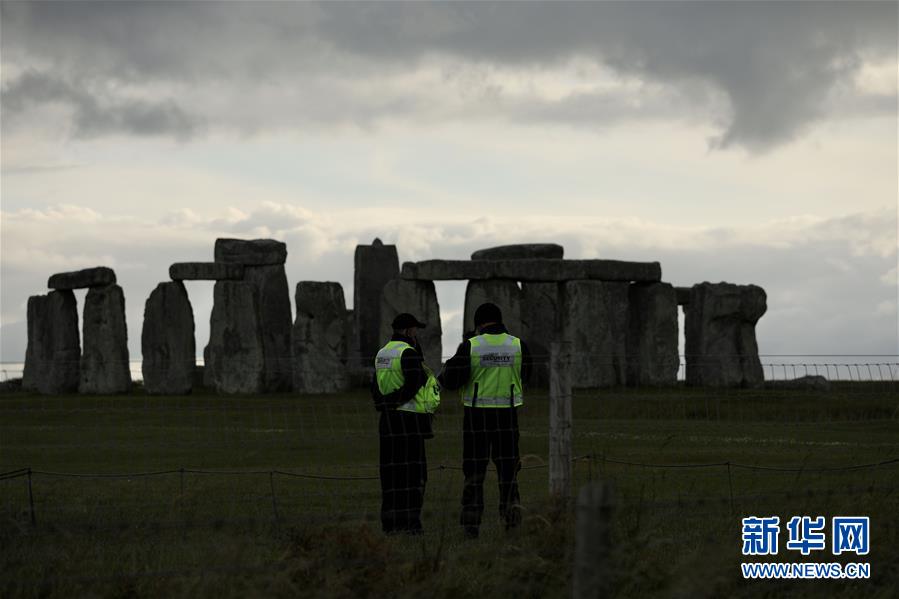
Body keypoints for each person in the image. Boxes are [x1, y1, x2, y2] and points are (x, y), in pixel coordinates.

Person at [438, 302, 531, 539]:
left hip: (476, 416)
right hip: (508, 416)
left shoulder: (472, 346)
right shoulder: (518, 345)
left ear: (478, 323)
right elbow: (528, 374)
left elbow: (450, 380)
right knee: (509, 472)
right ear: (500, 320)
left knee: (474, 472)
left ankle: (471, 524)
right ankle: (512, 520)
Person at [371, 312, 441, 535]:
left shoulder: (382, 353)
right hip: (409, 421)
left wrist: (383, 403)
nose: (417, 333)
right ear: (409, 331)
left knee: (390, 474)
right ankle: (411, 524)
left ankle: (390, 524)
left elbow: (375, 385)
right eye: (415, 330)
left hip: (387, 421)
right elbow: (415, 383)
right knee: (413, 475)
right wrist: (395, 401)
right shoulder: (408, 354)